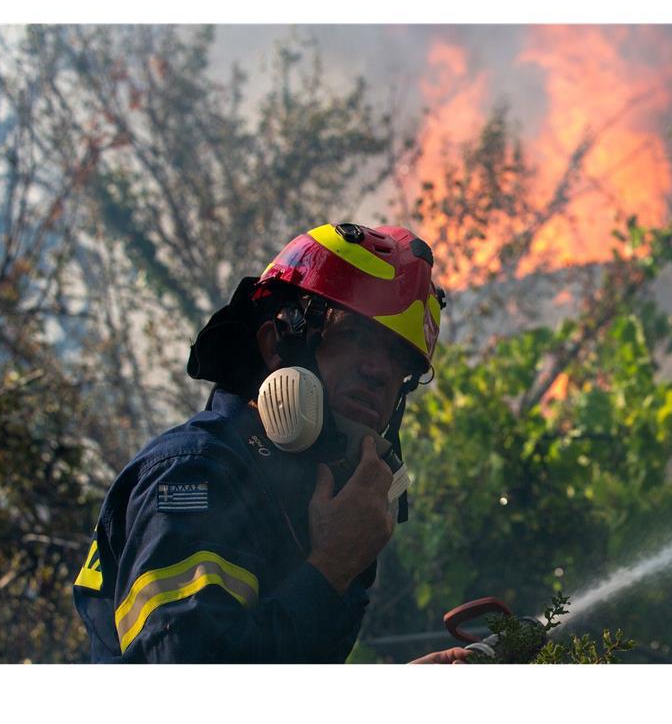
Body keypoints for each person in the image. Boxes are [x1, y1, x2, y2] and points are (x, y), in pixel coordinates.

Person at [72, 223, 469, 663]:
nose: (379, 371)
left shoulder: (324, 501)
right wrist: (332, 565)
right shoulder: (193, 476)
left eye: (399, 358)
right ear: (275, 344)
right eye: (354, 335)